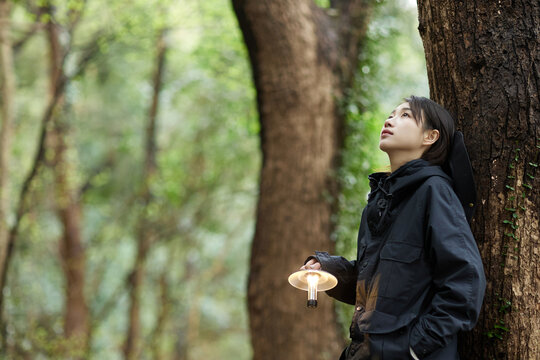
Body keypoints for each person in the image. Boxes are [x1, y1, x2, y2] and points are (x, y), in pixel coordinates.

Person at [301, 96, 486, 359]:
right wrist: (326, 270)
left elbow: (465, 283)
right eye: (390, 114)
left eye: (405, 115)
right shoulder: (378, 201)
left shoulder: (434, 192)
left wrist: (415, 347)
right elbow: (377, 283)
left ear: (430, 137)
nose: (390, 120)